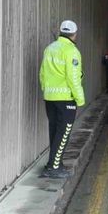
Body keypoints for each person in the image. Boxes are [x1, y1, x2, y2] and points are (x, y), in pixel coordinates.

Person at [39, 20, 85, 178]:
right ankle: (53, 167)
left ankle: (54, 163)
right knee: (63, 132)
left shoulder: (50, 48)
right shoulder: (72, 51)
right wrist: (80, 99)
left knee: (54, 130)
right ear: (74, 34)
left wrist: (46, 90)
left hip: (50, 97)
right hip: (65, 98)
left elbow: (43, 73)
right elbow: (73, 78)